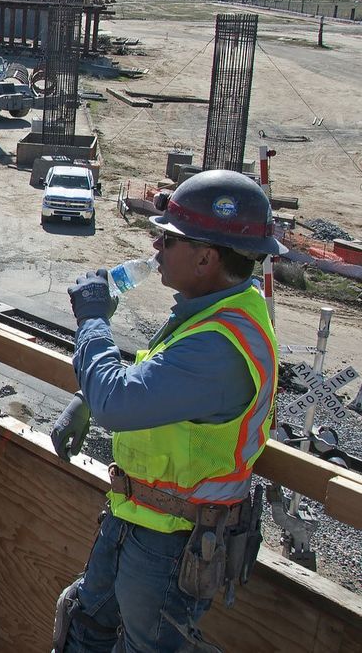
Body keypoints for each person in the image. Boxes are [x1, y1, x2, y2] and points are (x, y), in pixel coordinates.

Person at [49, 169, 284, 652]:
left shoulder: (222, 345)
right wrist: (86, 399)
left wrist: (93, 323)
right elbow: (155, 379)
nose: (155, 247)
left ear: (206, 256)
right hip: (139, 518)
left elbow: (121, 400)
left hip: (172, 544)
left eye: (168, 238)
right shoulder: (212, 312)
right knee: (84, 622)